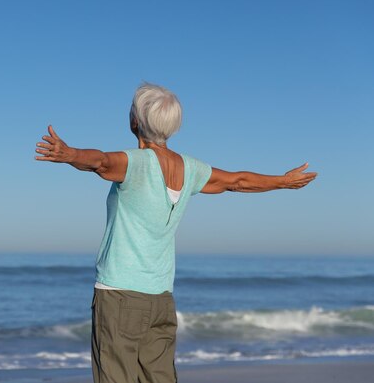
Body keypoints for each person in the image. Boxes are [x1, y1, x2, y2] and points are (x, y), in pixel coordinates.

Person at [34, 82, 317, 383]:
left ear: (135, 122)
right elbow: (238, 181)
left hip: (119, 296)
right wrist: (282, 181)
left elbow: (100, 161)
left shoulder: (135, 163)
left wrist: (70, 153)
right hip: (161, 301)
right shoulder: (190, 169)